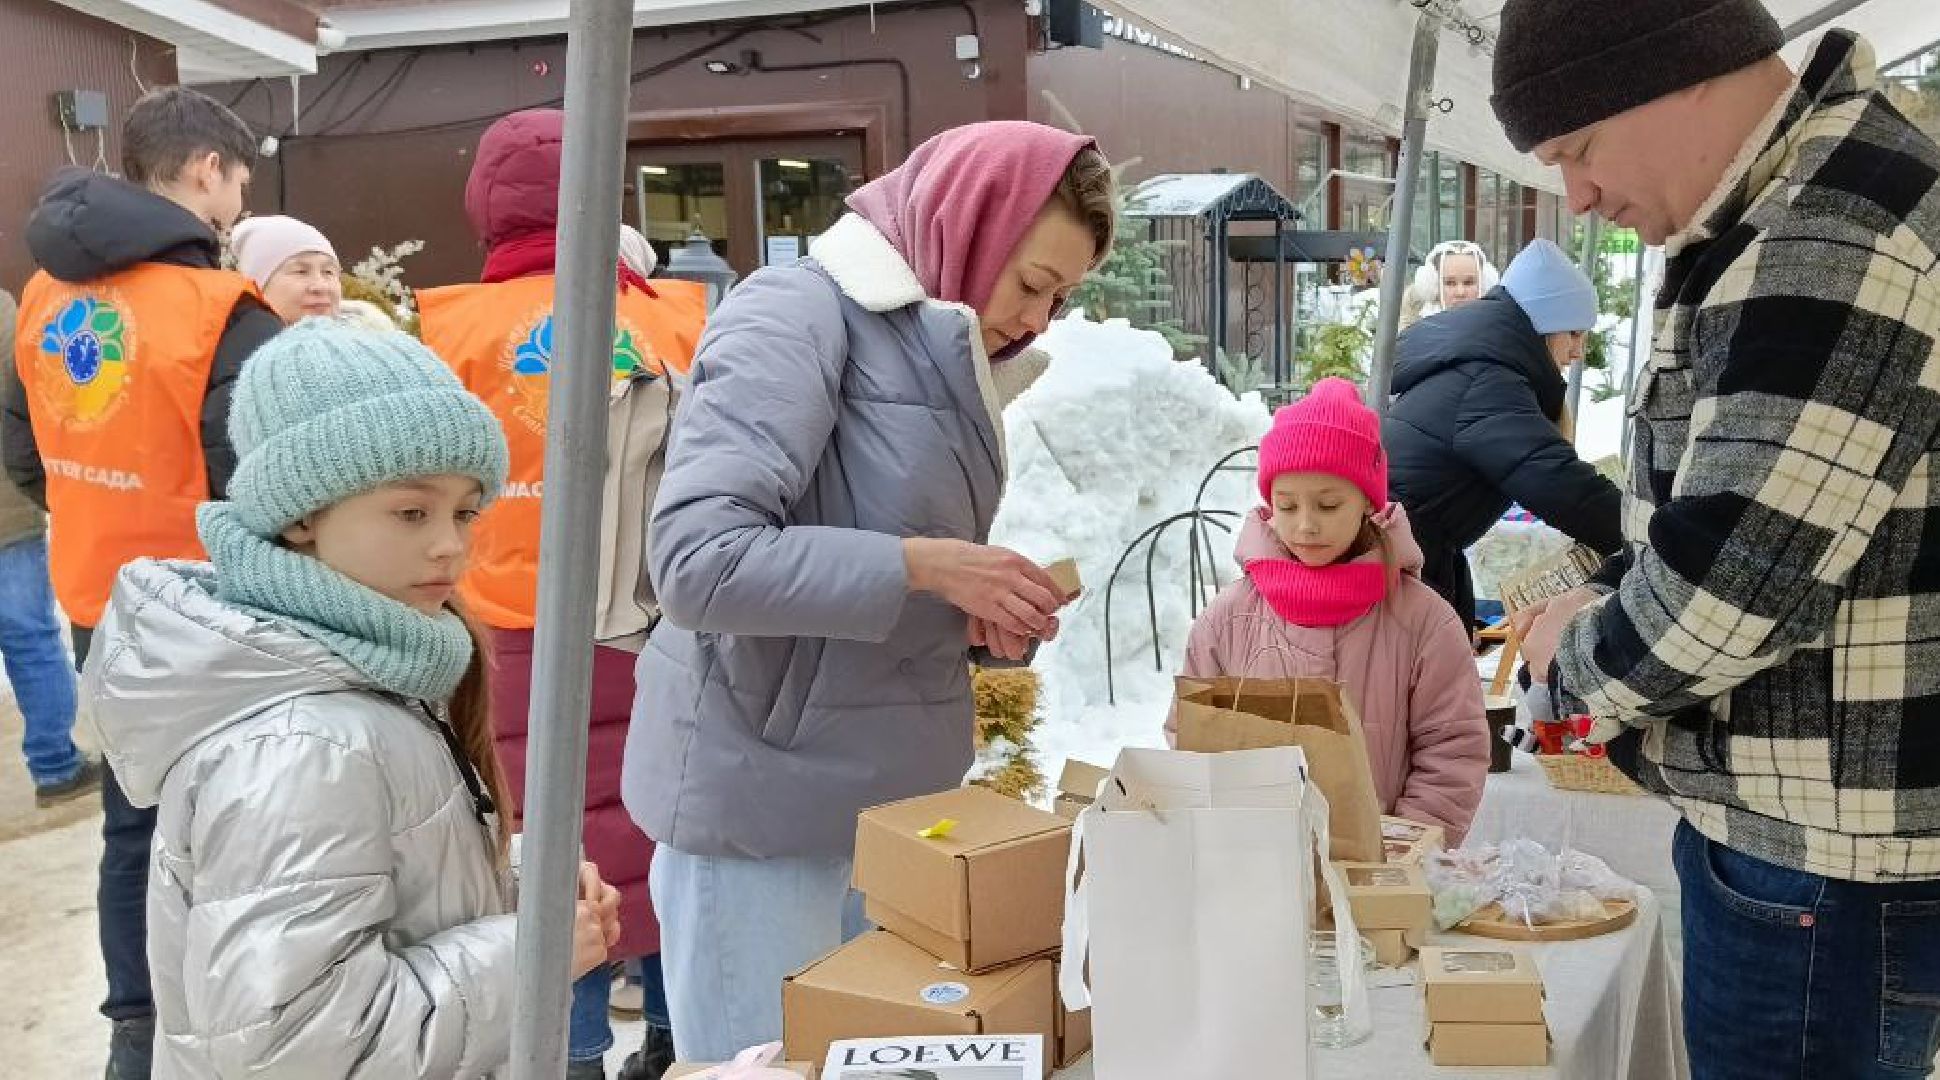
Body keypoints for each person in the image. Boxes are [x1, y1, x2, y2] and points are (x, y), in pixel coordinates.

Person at [1495, 3, 1940, 1075]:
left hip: (1826, 868)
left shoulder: (1832, 240)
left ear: (1681, 68)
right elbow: (1725, 506)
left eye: (1580, 148)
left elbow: (1725, 593)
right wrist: (1606, 590)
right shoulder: (1790, 208)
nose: (1581, 196)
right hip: (1828, 849)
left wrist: (1564, 672)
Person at [623, 121, 1110, 1059]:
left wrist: (964, 610)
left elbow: (860, 554)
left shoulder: (935, 346)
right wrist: (927, 566)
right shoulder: (794, 314)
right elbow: (696, 558)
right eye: (1033, 283)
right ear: (969, 227)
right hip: (765, 814)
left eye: (1062, 297)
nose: (1040, 318)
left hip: (888, 815)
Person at [81, 319, 623, 1078]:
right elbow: (295, 1049)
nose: (451, 546)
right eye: (412, 512)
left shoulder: (363, 671)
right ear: (302, 515)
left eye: (465, 511)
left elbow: (379, 885)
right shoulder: (302, 746)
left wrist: (519, 883)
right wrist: (533, 950)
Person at [416, 107, 710, 1080]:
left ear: (487, 209)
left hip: (502, 637)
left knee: (546, 846)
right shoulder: (670, 316)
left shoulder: (443, 331)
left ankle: (573, 1047)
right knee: (661, 826)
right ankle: (674, 1034)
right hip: (650, 620)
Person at [4, 84, 283, 1080]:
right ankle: (244, 1018)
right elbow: (268, 484)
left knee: (134, 825)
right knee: (249, 823)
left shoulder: (44, 295)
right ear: (206, 167)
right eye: (239, 179)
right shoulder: (219, 310)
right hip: (213, 608)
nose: (238, 203)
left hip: (99, 599)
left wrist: (95, 508)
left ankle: (137, 1031)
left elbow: (26, 450)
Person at [1180, 378, 1489, 840]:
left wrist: (1400, 848)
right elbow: (1192, 738)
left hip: (1378, 879)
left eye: (1328, 505)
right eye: (1286, 506)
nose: (1305, 525)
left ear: (1367, 500)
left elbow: (1452, 750)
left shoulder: (1423, 621)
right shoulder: (1229, 618)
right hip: (1254, 862)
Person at [1384, 236, 1623, 634]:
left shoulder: (1483, 365)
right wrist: (1644, 531)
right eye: (1575, 334)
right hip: (1405, 558)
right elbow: (1554, 480)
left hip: (1412, 549)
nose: (1579, 351)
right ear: (1544, 326)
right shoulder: (1487, 380)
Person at [0, 290, 97, 805]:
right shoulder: (4, 314)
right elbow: (29, 404)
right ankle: (55, 768)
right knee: (31, 640)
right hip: (7, 514)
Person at [227, 215, 342, 325]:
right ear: (257, 286)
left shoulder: (355, 338)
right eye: (301, 271)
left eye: (328, 272)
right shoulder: (239, 343)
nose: (321, 286)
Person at [1398, 239, 1499, 333]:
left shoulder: (1497, 331)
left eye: (1469, 283)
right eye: (1450, 283)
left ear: (1484, 284)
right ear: (1432, 284)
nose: (1460, 292)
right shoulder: (1412, 335)